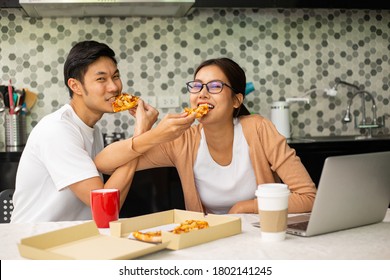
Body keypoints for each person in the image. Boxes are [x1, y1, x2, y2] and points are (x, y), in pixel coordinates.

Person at [94, 57, 317, 214]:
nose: (202, 94)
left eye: (215, 86)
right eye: (197, 86)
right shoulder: (183, 141)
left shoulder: (258, 129)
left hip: (260, 240)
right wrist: (149, 131)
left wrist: (244, 208)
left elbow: (308, 198)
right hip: (208, 244)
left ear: (237, 100)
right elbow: (105, 163)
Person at [11, 40, 196, 223]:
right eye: (101, 79)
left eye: (115, 76)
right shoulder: (57, 130)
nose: (114, 87)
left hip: (75, 238)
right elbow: (102, 204)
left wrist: (141, 138)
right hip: (33, 241)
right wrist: (142, 134)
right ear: (75, 86)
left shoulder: (93, 130)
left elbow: (112, 207)